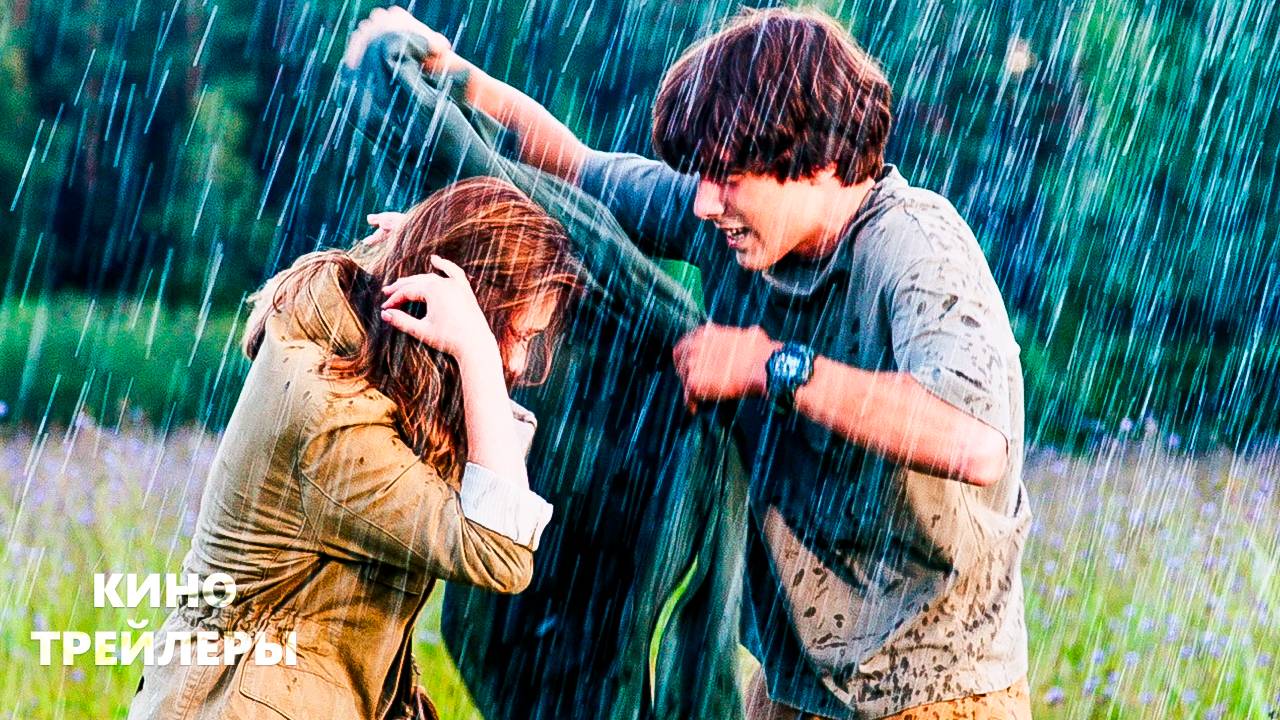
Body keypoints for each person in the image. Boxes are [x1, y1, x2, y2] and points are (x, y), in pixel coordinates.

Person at [349, 5, 1032, 719]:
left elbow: (975, 441)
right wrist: (447, 73)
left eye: (728, 175)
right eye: (702, 174)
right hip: (797, 688)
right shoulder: (735, 223)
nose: (705, 201)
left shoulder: (916, 247)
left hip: (941, 693)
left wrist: (769, 365)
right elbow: (575, 170)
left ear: (820, 162)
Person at [126, 176, 581, 720]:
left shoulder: (357, 354)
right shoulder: (333, 419)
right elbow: (499, 551)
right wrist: (477, 353)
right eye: (517, 336)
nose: (520, 364)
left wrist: (418, 251)